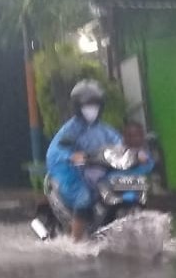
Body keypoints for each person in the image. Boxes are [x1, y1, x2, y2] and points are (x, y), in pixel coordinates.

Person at [46, 80, 122, 241]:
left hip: (100, 174)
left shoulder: (105, 130)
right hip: (73, 176)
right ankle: (76, 242)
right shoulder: (71, 130)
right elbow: (55, 151)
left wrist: (134, 153)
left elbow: (119, 144)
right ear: (77, 106)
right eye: (88, 105)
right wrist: (71, 156)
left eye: (95, 104)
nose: (92, 108)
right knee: (84, 197)